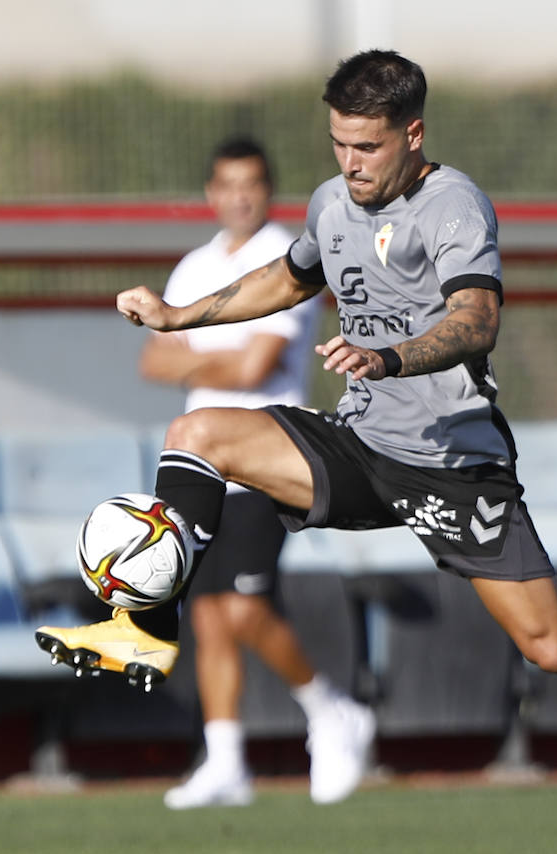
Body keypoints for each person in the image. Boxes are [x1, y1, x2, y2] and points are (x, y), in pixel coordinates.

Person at [38, 50, 557, 818]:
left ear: (413, 132)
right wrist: (180, 315)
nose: (350, 163)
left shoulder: (454, 205)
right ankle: (144, 625)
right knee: (197, 430)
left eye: (366, 146)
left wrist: (387, 358)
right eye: (338, 143)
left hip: (453, 465)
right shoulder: (332, 203)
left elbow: (477, 319)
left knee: (556, 646)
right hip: (362, 447)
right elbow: (290, 278)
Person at [141, 137, 375, 808]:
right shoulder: (192, 269)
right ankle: (225, 760)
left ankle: (331, 708)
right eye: (227, 184)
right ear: (210, 192)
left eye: (252, 183)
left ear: (268, 189)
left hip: (267, 456)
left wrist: (198, 357)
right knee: (209, 615)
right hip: (200, 464)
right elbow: (153, 363)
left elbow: (253, 370)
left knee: (244, 607)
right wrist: (213, 358)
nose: (239, 195)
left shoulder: (288, 257)